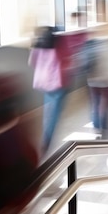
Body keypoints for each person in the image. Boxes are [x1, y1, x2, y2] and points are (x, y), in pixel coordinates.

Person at [28, 26, 70, 154]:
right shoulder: (59, 44)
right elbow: (67, 61)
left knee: (48, 110)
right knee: (55, 114)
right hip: (57, 82)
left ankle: (45, 135)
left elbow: (31, 62)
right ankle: (47, 140)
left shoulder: (38, 45)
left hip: (44, 82)